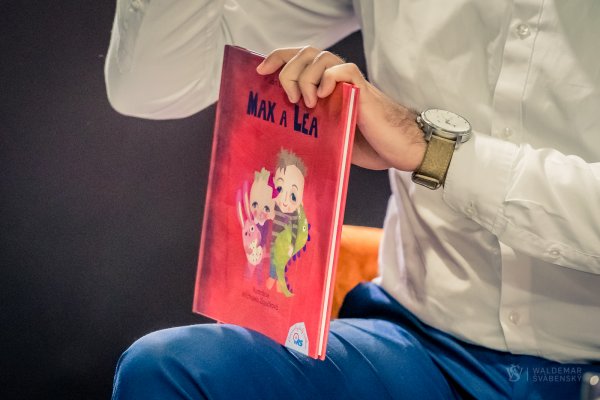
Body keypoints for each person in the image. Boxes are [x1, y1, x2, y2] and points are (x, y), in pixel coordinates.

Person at [105, 1, 600, 399]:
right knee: (168, 371)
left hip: (587, 364)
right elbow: (151, 85)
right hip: (420, 346)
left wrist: (433, 151)